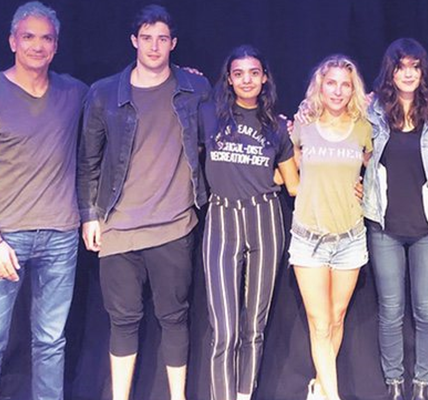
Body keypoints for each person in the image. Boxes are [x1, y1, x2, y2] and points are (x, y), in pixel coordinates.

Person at [76, 4, 210, 400]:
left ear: (173, 43)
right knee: (123, 321)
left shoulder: (195, 87)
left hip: (174, 225)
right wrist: (89, 215)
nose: (154, 46)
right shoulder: (103, 93)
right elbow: (88, 160)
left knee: (174, 317)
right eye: (147, 38)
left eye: (162, 39)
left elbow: (227, 126)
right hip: (118, 227)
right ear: (134, 41)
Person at [0, 2, 87, 399]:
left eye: (46, 38)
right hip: (7, 238)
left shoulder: (74, 92)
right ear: (12, 41)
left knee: (51, 342)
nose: (37, 45)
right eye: (28, 37)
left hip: (60, 234)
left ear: (56, 46)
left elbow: (126, 95)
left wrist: (183, 75)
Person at [202, 44, 298, 400]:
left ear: (264, 78)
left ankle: (245, 395)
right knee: (224, 329)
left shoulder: (277, 125)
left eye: (254, 73)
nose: (246, 80)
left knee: (254, 325)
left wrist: (347, 180)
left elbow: (293, 184)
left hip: (264, 219)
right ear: (229, 78)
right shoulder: (208, 115)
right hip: (221, 217)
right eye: (239, 73)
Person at [362, 38, 428, 400]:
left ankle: (422, 385)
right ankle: (395, 384)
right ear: (391, 72)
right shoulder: (372, 112)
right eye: (401, 67)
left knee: (427, 310)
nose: (409, 74)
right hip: (385, 226)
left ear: (423, 72)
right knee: (390, 310)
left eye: (415, 67)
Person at [290, 54, 372, 400]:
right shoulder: (303, 126)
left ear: (353, 90)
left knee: (336, 318)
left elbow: (371, 170)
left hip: (349, 238)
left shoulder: (363, 128)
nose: (337, 91)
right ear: (319, 87)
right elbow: (291, 175)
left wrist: (365, 187)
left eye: (345, 85)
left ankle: (320, 388)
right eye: (331, 83)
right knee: (320, 324)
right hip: (308, 238)